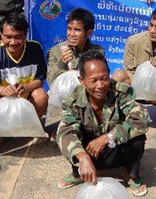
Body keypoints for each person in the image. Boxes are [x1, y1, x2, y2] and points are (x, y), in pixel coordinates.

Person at [56, 49, 149, 196]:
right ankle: (80, 172)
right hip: (90, 150)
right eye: (93, 80)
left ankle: (129, 173)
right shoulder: (73, 99)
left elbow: (141, 119)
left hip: (115, 147)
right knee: (71, 141)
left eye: (104, 78)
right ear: (82, 80)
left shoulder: (122, 92)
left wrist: (108, 137)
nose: (100, 85)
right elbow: (65, 132)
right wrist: (83, 157)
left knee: (137, 138)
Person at [0, 14, 48, 119]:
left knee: (41, 96)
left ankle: (32, 129)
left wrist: (26, 88)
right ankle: (3, 131)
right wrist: (3, 90)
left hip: (27, 97)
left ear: (25, 35)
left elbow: (39, 81)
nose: (13, 42)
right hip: (4, 98)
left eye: (18, 37)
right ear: (1, 34)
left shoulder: (35, 48)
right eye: (8, 37)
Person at [47, 8, 104, 85]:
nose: (72, 34)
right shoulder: (55, 51)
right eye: (69, 29)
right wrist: (62, 63)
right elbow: (51, 82)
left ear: (88, 33)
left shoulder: (97, 52)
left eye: (77, 30)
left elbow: (98, 81)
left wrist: (76, 74)